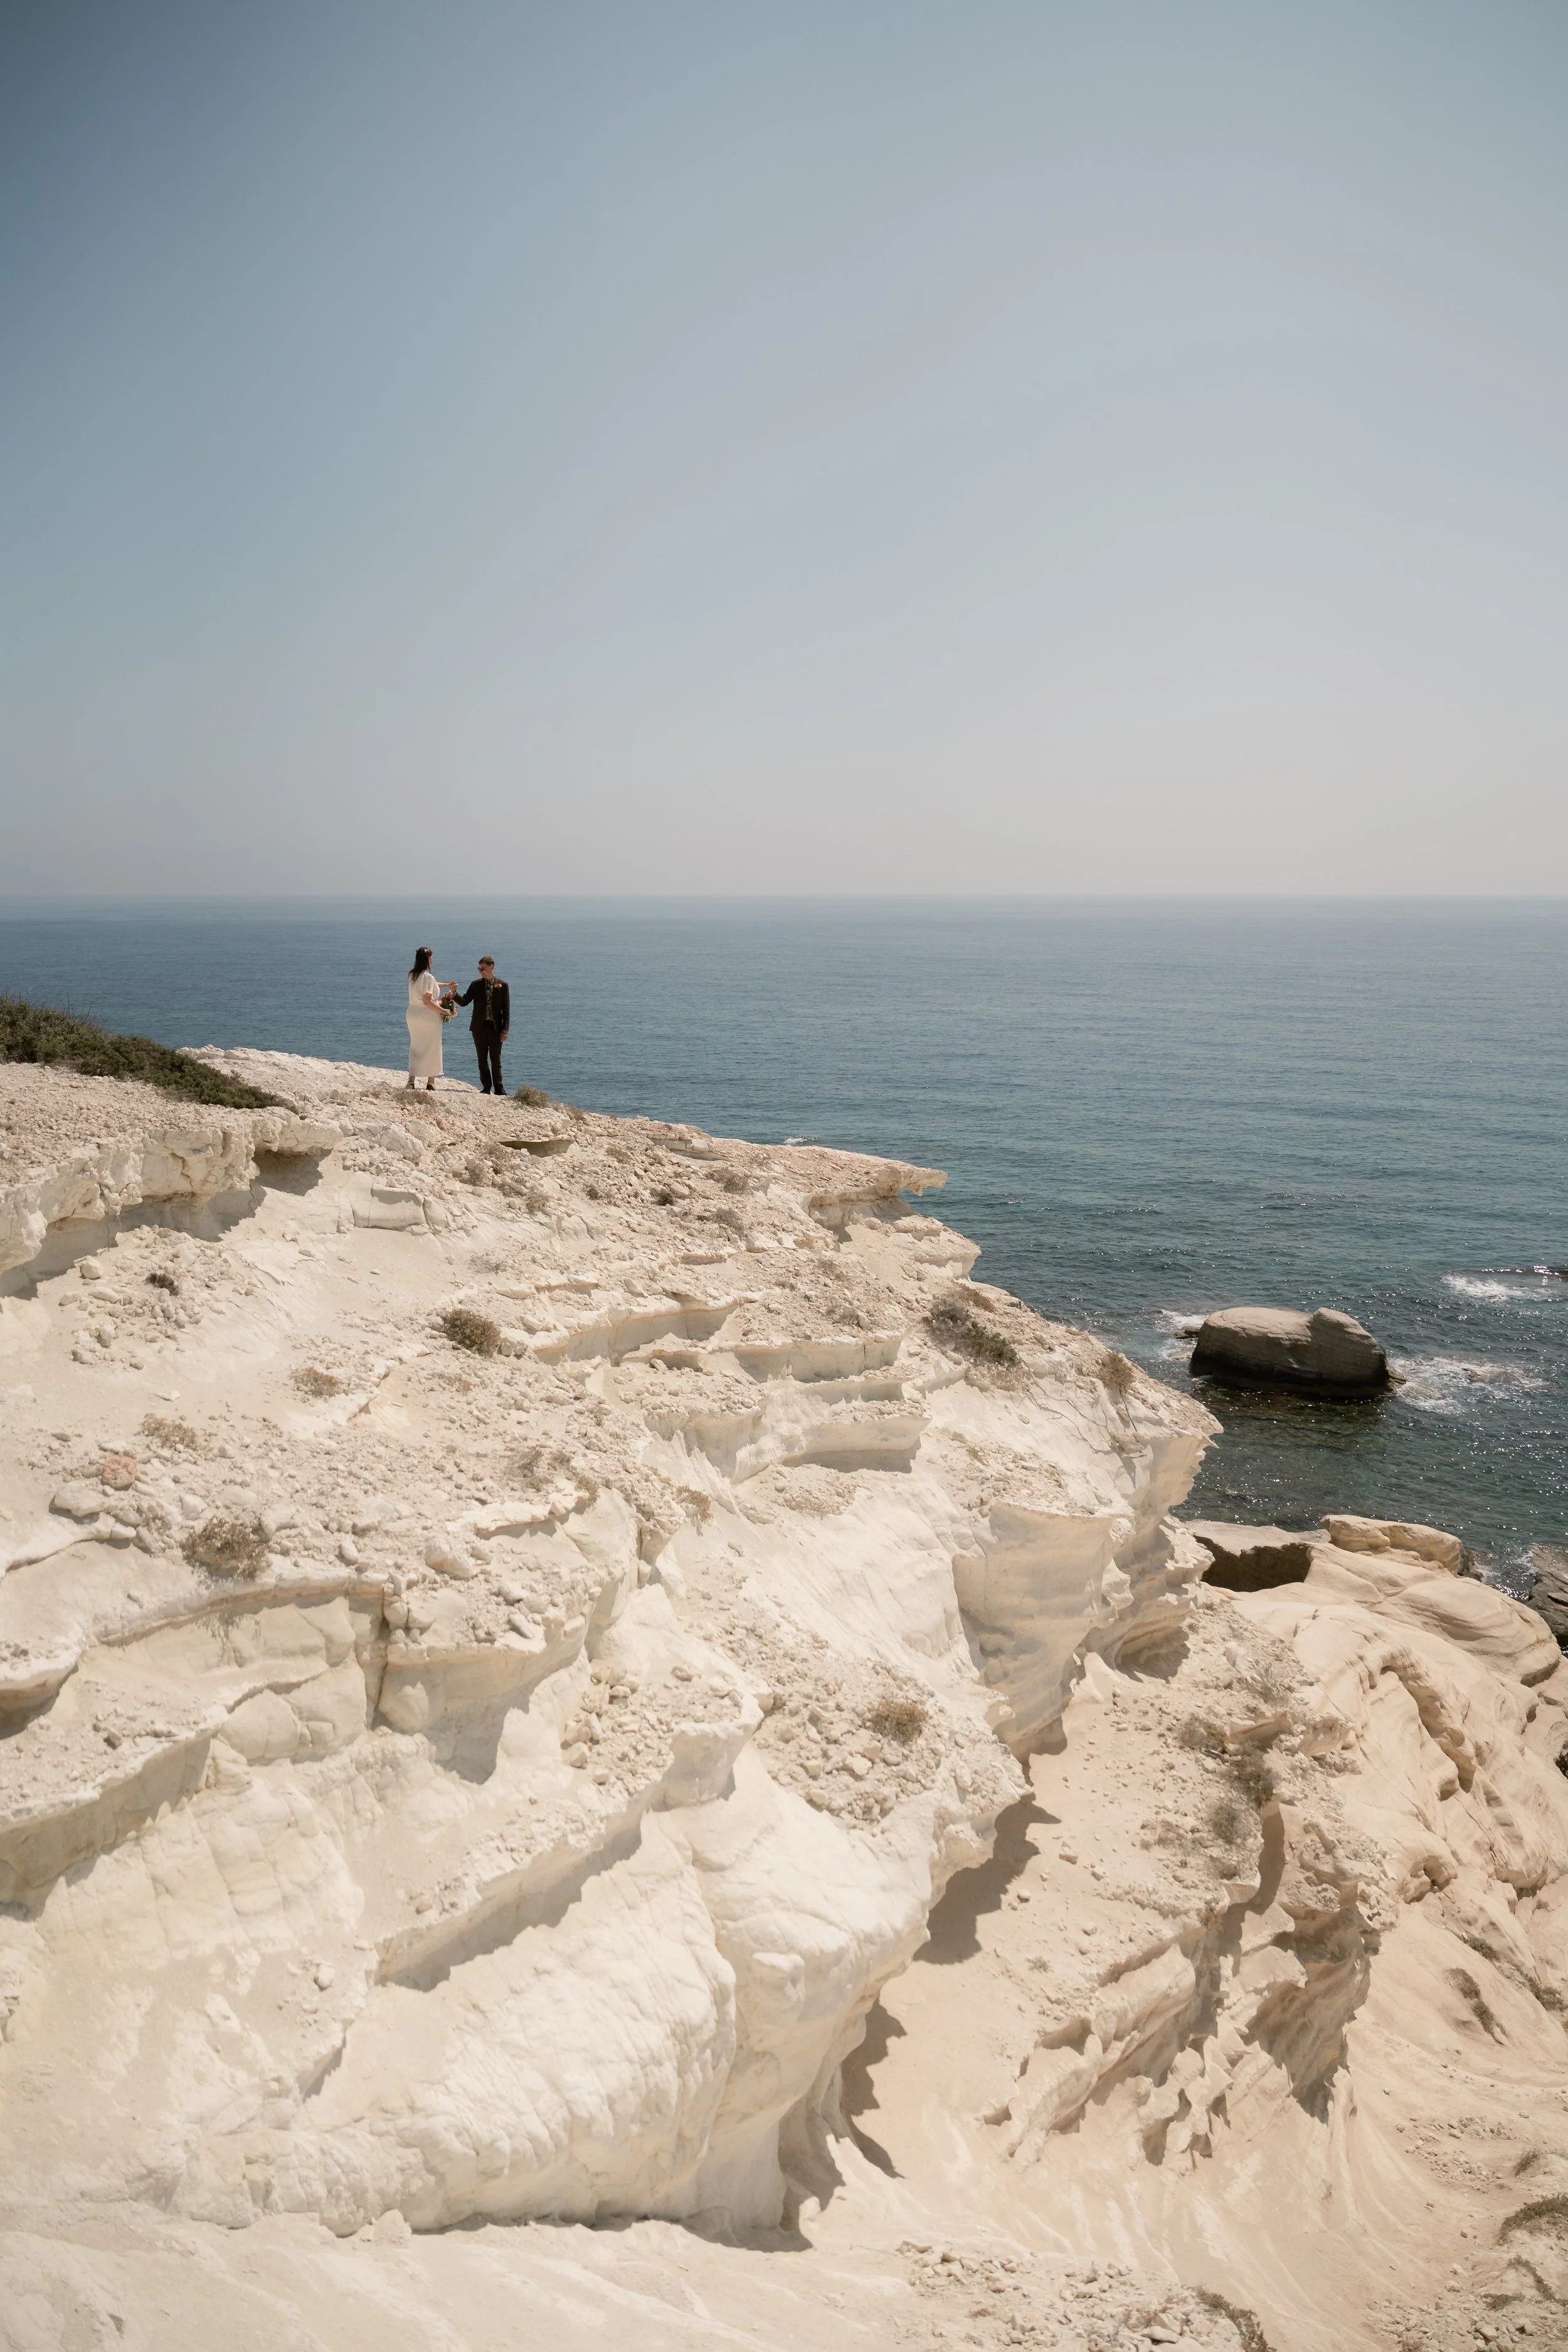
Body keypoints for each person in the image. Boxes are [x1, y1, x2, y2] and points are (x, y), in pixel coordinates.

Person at [452, 956, 511, 1094]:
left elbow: (506, 1009)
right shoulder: (476, 984)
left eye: (483, 969)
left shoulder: (503, 985)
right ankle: (486, 1087)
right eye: (479, 969)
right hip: (479, 1027)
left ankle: (499, 1088)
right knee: (482, 1059)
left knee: (496, 1059)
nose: (481, 972)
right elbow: (465, 1001)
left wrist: (505, 1030)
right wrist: (454, 994)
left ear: (492, 967)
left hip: (496, 1028)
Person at [405, 947, 452, 1090]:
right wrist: (444, 1010)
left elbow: (432, 985)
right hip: (427, 1015)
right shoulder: (428, 977)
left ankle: (411, 1080)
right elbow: (427, 1000)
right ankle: (431, 1081)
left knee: (416, 1046)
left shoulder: (413, 975)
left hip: (413, 1014)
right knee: (432, 1046)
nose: (433, 959)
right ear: (428, 959)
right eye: (432, 957)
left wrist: (447, 985)